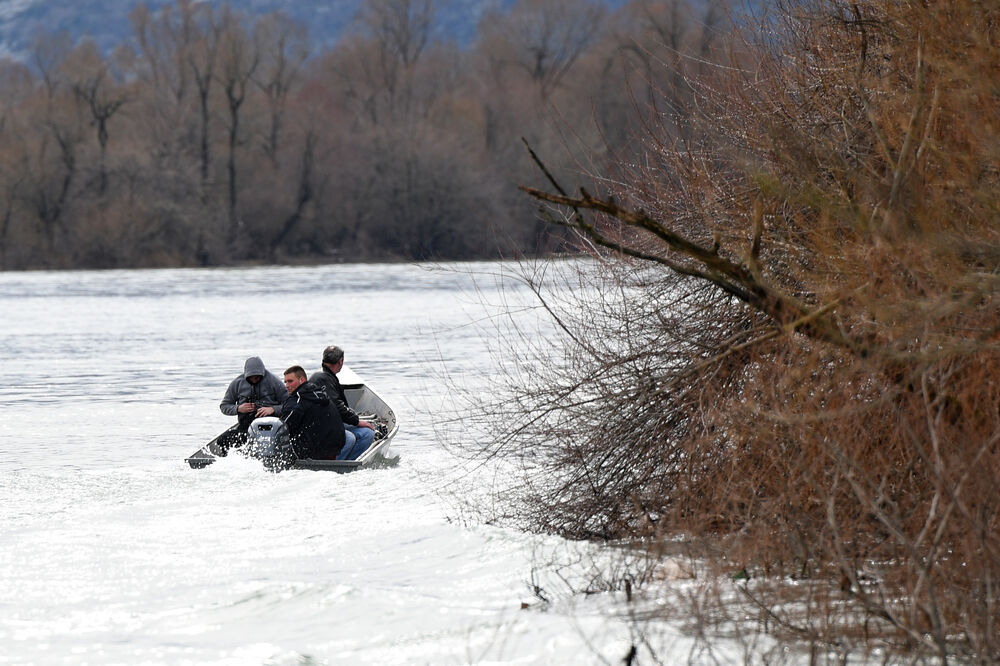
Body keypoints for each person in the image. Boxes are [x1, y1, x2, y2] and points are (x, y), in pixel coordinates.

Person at [309, 345, 376, 458]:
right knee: (355, 437)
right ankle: (338, 464)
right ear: (340, 361)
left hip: (330, 421)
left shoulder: (323, 375)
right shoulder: (324, 378)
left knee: (366, 433)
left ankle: (348, 463)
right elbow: (336, 406)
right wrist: (357, 421)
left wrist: (353, 418)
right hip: (322, 425)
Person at [280, 365, 351, 460]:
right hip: (334, 450)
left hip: (312, 453)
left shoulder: (297, 401)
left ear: (302, 380)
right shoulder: (320, 393)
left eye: (290, 381)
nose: (287, 386)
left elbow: (283, 428)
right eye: (285, 382)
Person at [218, 356, 286, 452]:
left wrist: (273, 409)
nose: (254, 380)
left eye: (257, 378)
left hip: (269, 426)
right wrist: (238, 408)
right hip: (246, 427)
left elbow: (289, 406)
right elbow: (224, 406)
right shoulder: (237, 383)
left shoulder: (275, 382)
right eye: (251, 378)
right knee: (222, 440)